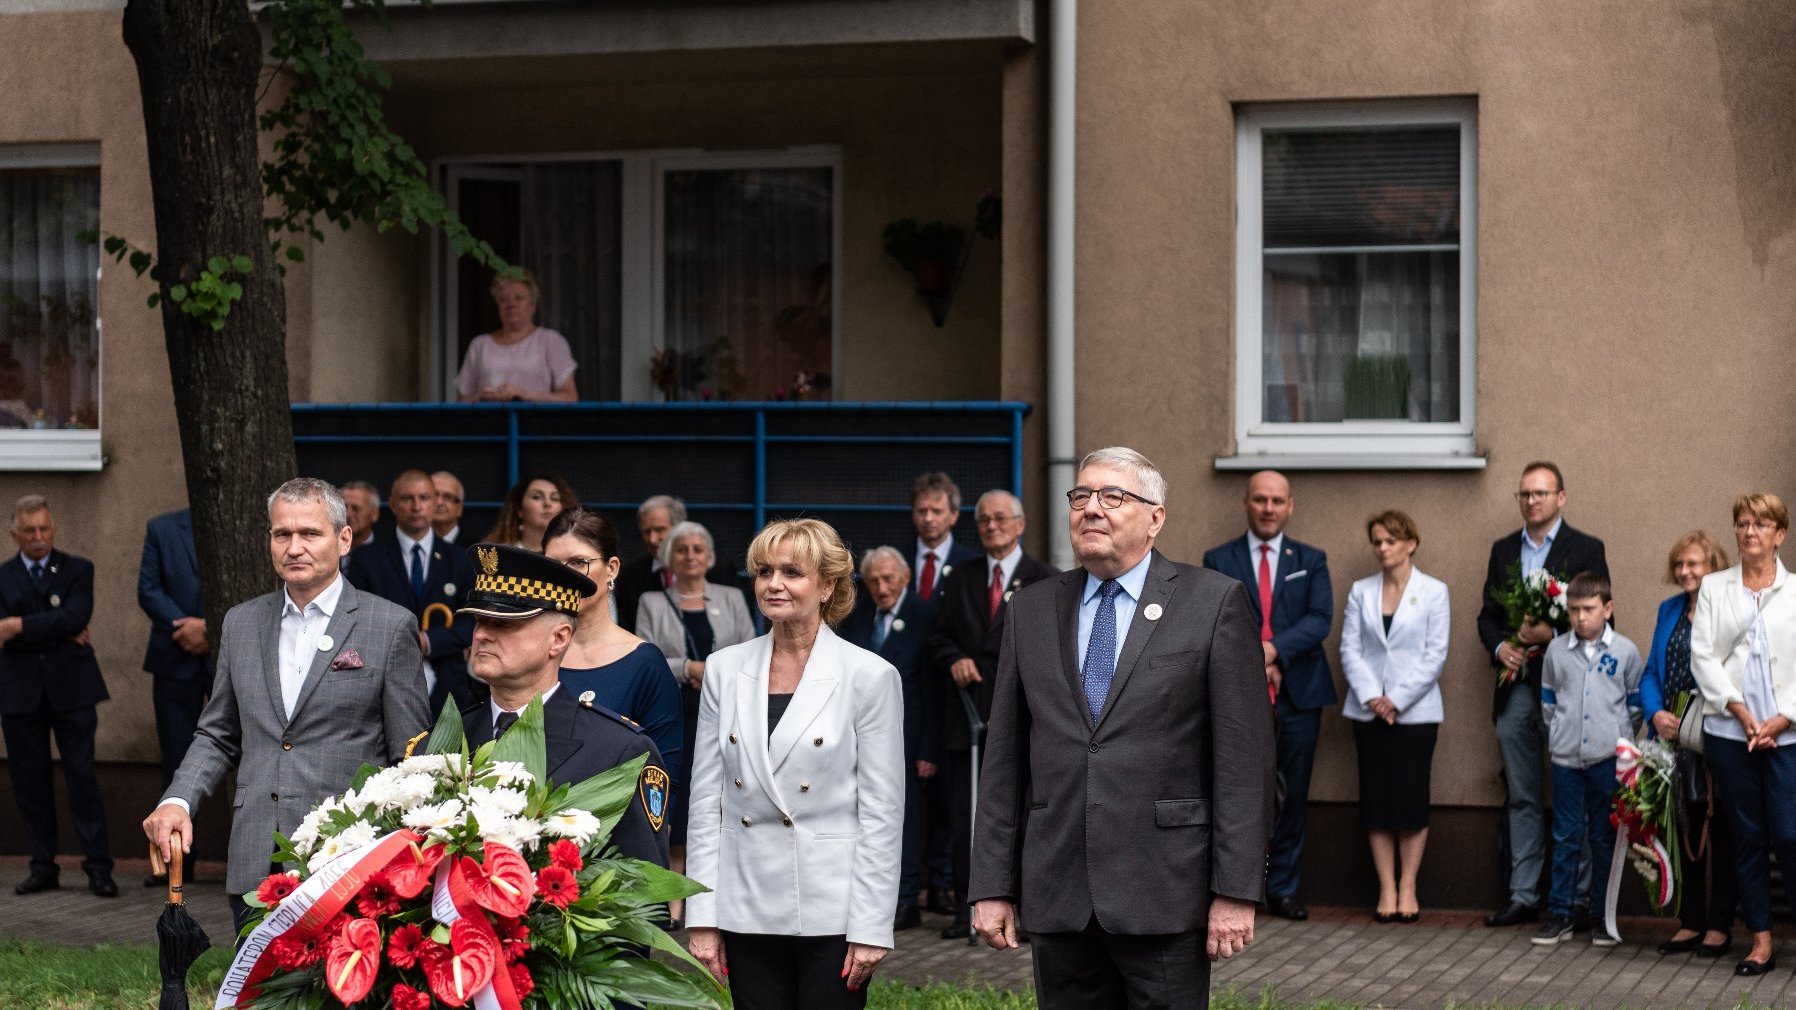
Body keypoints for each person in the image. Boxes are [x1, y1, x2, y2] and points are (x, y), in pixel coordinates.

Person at [971, 447, 1275, 1009]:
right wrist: (991, 884)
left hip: (1164, 891)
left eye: (1113, 497)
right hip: (1060, 889)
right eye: (1081, 496)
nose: (1092, 508)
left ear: (1154, 518)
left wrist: (1235, 891)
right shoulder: (1030, 610)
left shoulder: (1212, 603)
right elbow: (1004, 759)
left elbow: (1244, 763)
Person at [143, 478, 430, 932]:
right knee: (255, 999)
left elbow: (412, 759)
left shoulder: (390, 626)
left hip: (345, 859)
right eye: (282, 534)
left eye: (310, 534)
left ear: (344, 539)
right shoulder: (240, 622)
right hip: (257, 854)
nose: (294, 547)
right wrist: (178, 800)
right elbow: (217, 733)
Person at [686, 518, 904, 1008]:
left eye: (792, 572)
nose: (773, 584)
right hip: (745, 905)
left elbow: (882, 813)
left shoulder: (869, 675)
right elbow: (706, 800)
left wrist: (872, 925)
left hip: (834, 910)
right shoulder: (724, 669)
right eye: (763, 571)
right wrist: (702, 914)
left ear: (828, 585)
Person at [458, 542, 669, 866]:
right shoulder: (436, 746)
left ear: (559, 638)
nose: (482, 634)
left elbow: (644, 903)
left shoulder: (618, 752)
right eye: (479, 620)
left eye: (503, 623)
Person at [1476, 461, 1608, 928]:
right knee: (1522, 794)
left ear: (1561, 498)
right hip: (1515, 690)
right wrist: (1502, 646)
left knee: (1580, 794)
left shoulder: (1586, 548)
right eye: (1524, 494)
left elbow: (1603, 621)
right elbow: (1488, 615)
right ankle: (1523, 893)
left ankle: (1579, 898)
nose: (1532, 501)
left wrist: (1550, 632)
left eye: (1541, 493)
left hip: (1570, 691)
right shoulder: (1503, 550)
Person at [1201, 469, 1334, 921]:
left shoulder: (1310, 559)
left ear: (1290, 506)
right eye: (1260, 500)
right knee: (1241, 793)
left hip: (1298, 694)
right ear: (1246, 503)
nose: (1269, 508)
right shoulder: (1218, 558)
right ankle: (1242, 887)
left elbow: (1320, 619)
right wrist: (1252, 660)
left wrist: (1273, 652)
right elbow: (1212, 619)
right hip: (1238, 695)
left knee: (1292, 794)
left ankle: (1284, 888)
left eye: (1277, 501)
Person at [927, 489, 1057, 940]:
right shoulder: (960, 576)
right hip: (968, 718)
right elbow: (939, 637)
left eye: (1001, 518)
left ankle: (1022, 906)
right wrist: (954, 659)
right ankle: (970, 908)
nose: (992, 526)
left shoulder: (1045, 578)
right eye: (983, 520)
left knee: (1022, 812)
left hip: (1025, 718)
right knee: (969, 816)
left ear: (1020, 524)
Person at [1691, 493, 1796, 976]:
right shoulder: (1715, 587)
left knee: (1790, 834)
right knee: (1748, 837)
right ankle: (1760, 941)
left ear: (1780, 533)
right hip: (1731, 733)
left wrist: (1784, 717)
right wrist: (1739, 711)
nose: (1749, 531)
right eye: (1741, 523)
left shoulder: (1795, 592)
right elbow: (1704, 658)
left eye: (1761, 523)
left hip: (1786, 736)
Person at [636, 518, 755, 926]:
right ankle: (673, 900)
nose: (690, 556)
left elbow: (749, 648)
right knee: (679, 796)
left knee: (721, 790)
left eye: (697, 549)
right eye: (682, 549)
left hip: (724, 708)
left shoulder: (732, 597)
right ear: (670, 557)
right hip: (675, 709)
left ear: (709, 557)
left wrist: (717, 672)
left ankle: (712, 895)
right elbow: (646, 656)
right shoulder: (652, 601)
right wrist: (689, 667)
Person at [0, 495, 114, 897]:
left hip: (72, 691)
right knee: (30, 784)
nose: (38, 537)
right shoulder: (3, 576)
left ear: (54, 529)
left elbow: (75, 616)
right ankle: (42, 866)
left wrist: (17, 625)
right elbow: (55, 623)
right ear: (14, 534)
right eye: (29, 531)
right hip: (19, 694)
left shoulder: (77, 569)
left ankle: (99, 868)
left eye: (44, 529)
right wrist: (53, 627)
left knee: (82, 778)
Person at [1338, 510, 1448, 924]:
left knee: (1410, 800)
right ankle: (1386, 887)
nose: (1382, 548)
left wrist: (1396, 699)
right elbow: (1349, 648)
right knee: (1377, 800)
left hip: (1416, 714)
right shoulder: (1361, 591)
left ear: (1410, 544)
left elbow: (1435, 653)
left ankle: (1408, 887)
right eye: (1377, 542)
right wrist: (1372, 697)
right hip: (1368, 713)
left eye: (1390, 541)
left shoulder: (1434, 591)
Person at [1639, 530, 1736, 959]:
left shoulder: (1729, 611)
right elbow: (1649, 674)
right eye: (1679, 564)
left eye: (1693, 564)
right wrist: (1655, 713)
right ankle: (1691, 921)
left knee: (1723, 831)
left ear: (1713, 566)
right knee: (1684, 828)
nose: (1684, 571)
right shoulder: (1669, 609)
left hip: (1716, 734)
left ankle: (1719, 924)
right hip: (1671, 736)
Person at [541, 507, 683, 799]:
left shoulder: (644, 662)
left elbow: (662, 775)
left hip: (616, 836)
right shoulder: (531, 653)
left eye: (579, 562)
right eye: (553, 564)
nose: (564, 576)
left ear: (612, 568)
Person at [1532, 573, 1641, 948]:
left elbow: (1635, 706)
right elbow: (1548, 703)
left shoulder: (1625, 651)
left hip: (1606, 759)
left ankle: (1601, 916)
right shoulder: (1557, 651)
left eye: (1589, 609)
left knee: (1603, 835)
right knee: (1565, 835)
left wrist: (1616, 737)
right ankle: (1561, 912)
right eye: (1574, 610)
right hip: (1565, 759)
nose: (1580, 618)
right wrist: (1562, 733)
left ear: (1607, 609)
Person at [840, 546, 940, 932]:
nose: (881, 587)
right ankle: (870, 898)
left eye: (888, 579)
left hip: (908, 736)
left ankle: (906, 900)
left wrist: (928, 748)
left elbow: (933, 690)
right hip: (858, 735)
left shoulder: (925, 615)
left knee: (904, 820)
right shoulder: (859, 614)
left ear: (905, 578)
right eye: (874, 581)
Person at [347, 469, 478, 713]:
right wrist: (403, 642)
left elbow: (473, 622)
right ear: (393, 505)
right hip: (382, 686)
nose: (416, 506)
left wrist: (428, 641)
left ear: (434, 502)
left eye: (425, 498)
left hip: (447, 689)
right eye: (407, 498)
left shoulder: (460, 560)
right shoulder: (367, 559)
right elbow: (355, 619)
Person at [137, 507, 211, 886]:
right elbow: (148, 589)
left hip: (225, 658)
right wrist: (186, 628)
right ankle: (176, 860)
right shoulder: (161, 527)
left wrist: (210, 629)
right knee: (176, 756)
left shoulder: (247, 526)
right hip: (173, 657)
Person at [455, 269, 579, 402]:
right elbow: (461, 402)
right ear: (498, 306)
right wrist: (480, 398)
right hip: (488, 421)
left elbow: (570, 398)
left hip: (536, 421)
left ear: (532, 305)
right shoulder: (480, 345)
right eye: (504, 299)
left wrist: (524, 396)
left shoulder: (550, 341)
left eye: (519, 298)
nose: (511, 304)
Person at [616, 495, 685, 633]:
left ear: (679, 529)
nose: (652, 539)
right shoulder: (628, 576)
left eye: (659, 530)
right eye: (647, 532)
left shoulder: (715, 570)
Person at [907, 472, 980, 603]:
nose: (928, 519)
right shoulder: (899, 559)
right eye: (922, 511)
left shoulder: (972, 562)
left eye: (937, 511)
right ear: (913, 515)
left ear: (954, 515)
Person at [484, 472, 578, 552]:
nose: (548, 503)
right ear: (519, 509)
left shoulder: (574, 553)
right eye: (536, 497)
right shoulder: (499, 553)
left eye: (555, 498)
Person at [338, 480, 380, 563]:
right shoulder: (326, 551)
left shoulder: (389, 555)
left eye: (356, 508)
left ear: (374, 514)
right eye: (343, 508)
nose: (348, 514)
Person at [431, 470, 465, 544]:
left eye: (447, 497)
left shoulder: (476, 549)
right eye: (434, 495)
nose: (439, 502)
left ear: (459, 508)